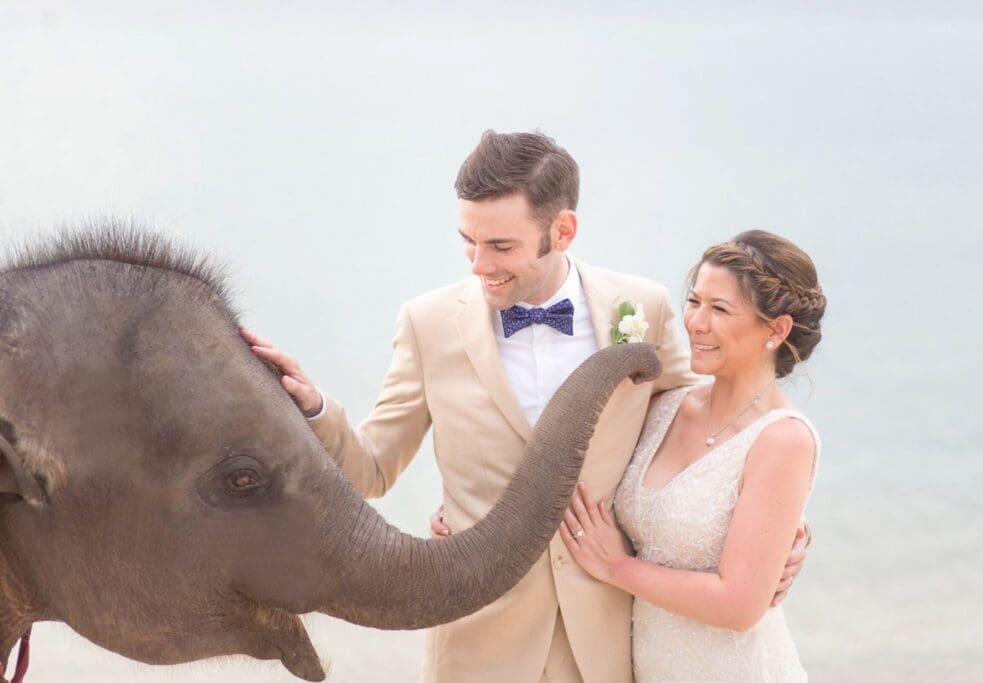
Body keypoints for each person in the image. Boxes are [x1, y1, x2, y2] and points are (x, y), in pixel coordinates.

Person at [243, 131, 809, 683]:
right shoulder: (428, 324)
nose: (478, 264)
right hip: (478, 641)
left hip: (608, 643)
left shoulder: (644, 307)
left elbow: (699, 434)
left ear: (562, 231)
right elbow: (370, 470)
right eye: (468, 240)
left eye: (501, 246)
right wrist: (314, 406)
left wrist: (776, 532)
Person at [559, 230, 825, 681]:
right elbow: (578, 468)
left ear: (777, 330)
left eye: (719, 309)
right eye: (695, 301)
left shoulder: (783, 439)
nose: (695, 322)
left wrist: (616, 567)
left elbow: (739, 604)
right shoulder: (667, 406)